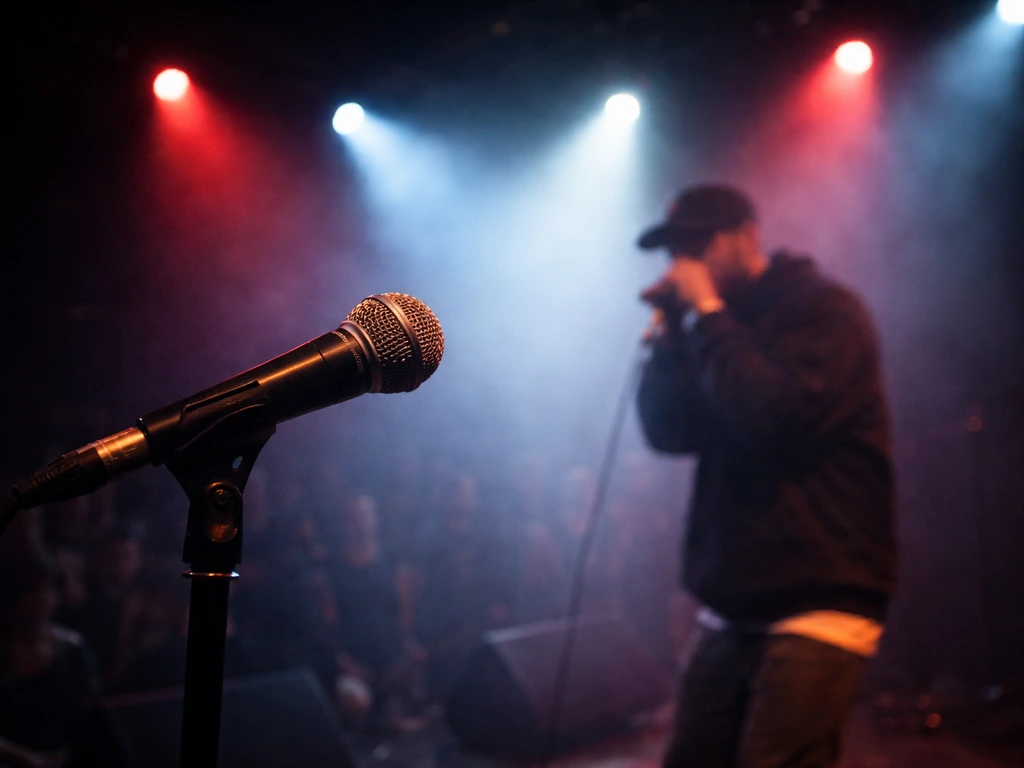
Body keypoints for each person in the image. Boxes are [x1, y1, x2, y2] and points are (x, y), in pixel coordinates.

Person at [634, 184, 897, 768]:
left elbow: (771, 417)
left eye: (699, 244)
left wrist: (705, 316)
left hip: (820, 597)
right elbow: (668, 434)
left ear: (747, 236)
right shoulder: (713, 334)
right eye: (675, 249)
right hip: (733, 605)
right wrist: (673, 341)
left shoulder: (824, 312)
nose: (684, 262)